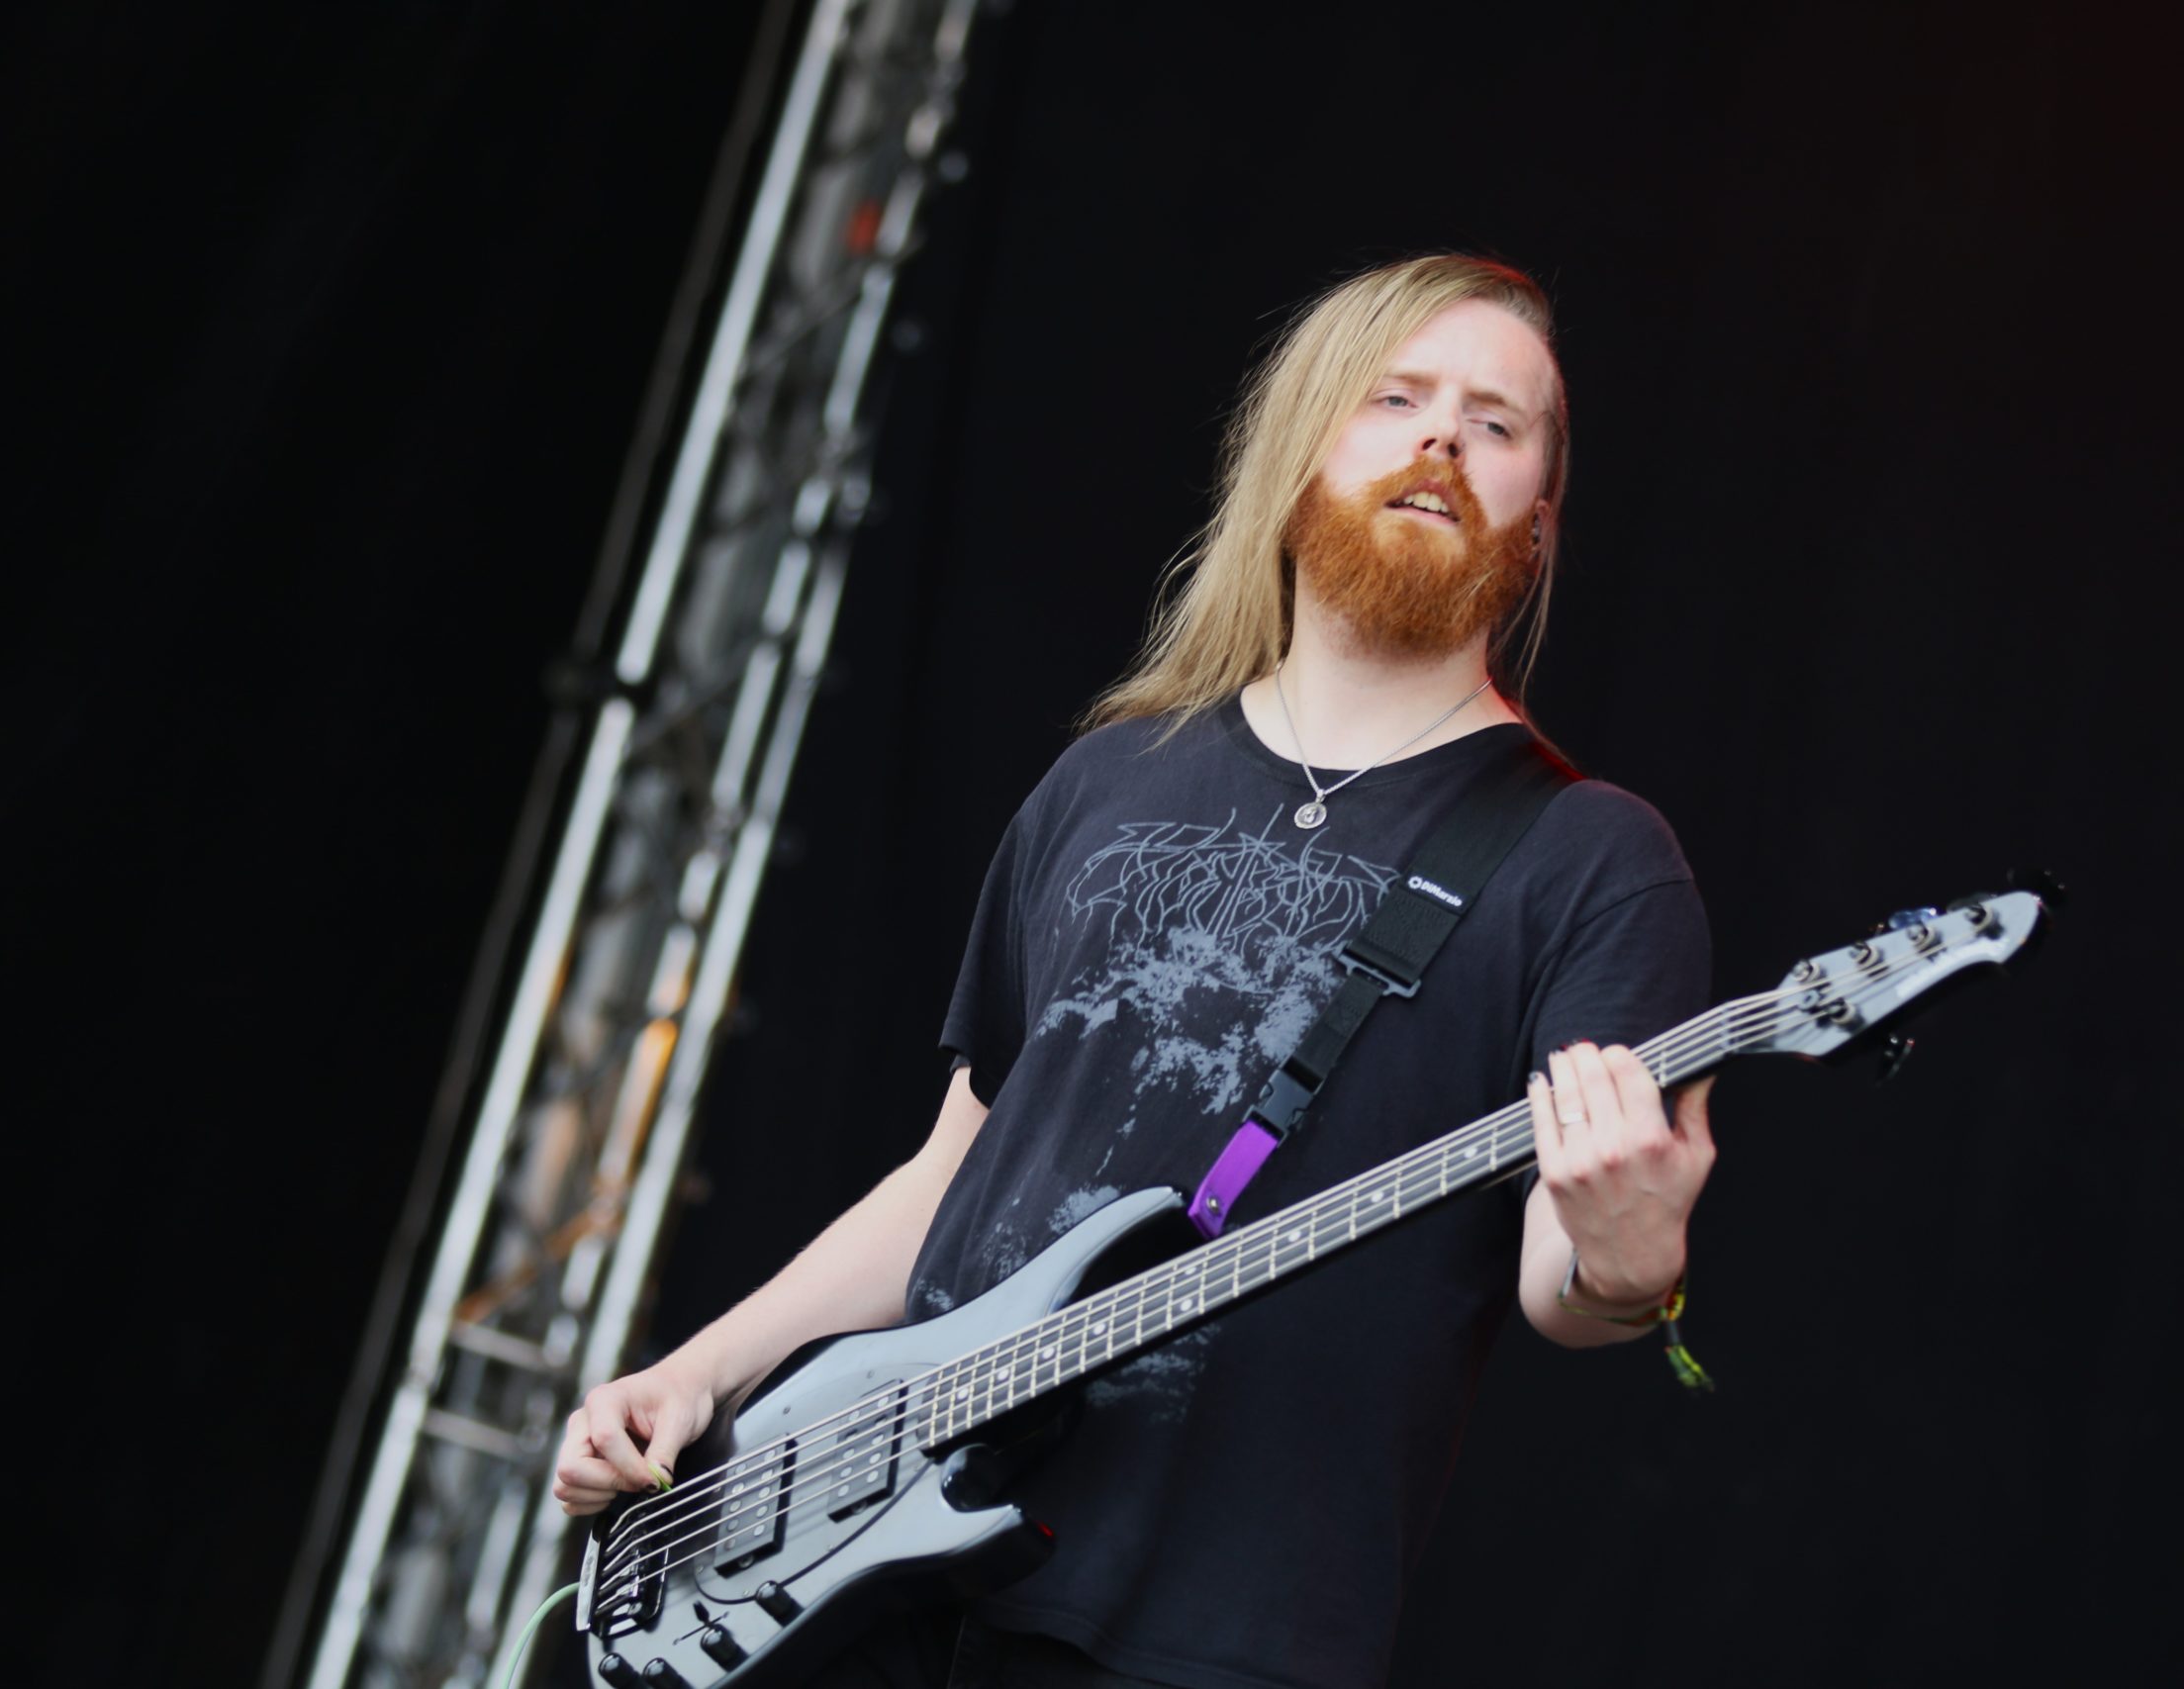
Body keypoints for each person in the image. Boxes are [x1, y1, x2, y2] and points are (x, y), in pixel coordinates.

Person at [553, 254, 1719, 1689]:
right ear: (1298, 452)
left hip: (1209, 1642)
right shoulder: (1107, 780)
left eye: (1496, 423)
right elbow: (954, 1177)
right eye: (1395, 398)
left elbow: (1562, 1272)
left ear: (1537, 522)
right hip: (879, 1587)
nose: (1441, 438)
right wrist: (694, 1375)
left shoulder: (1592, 860)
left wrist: (1629, 1263)